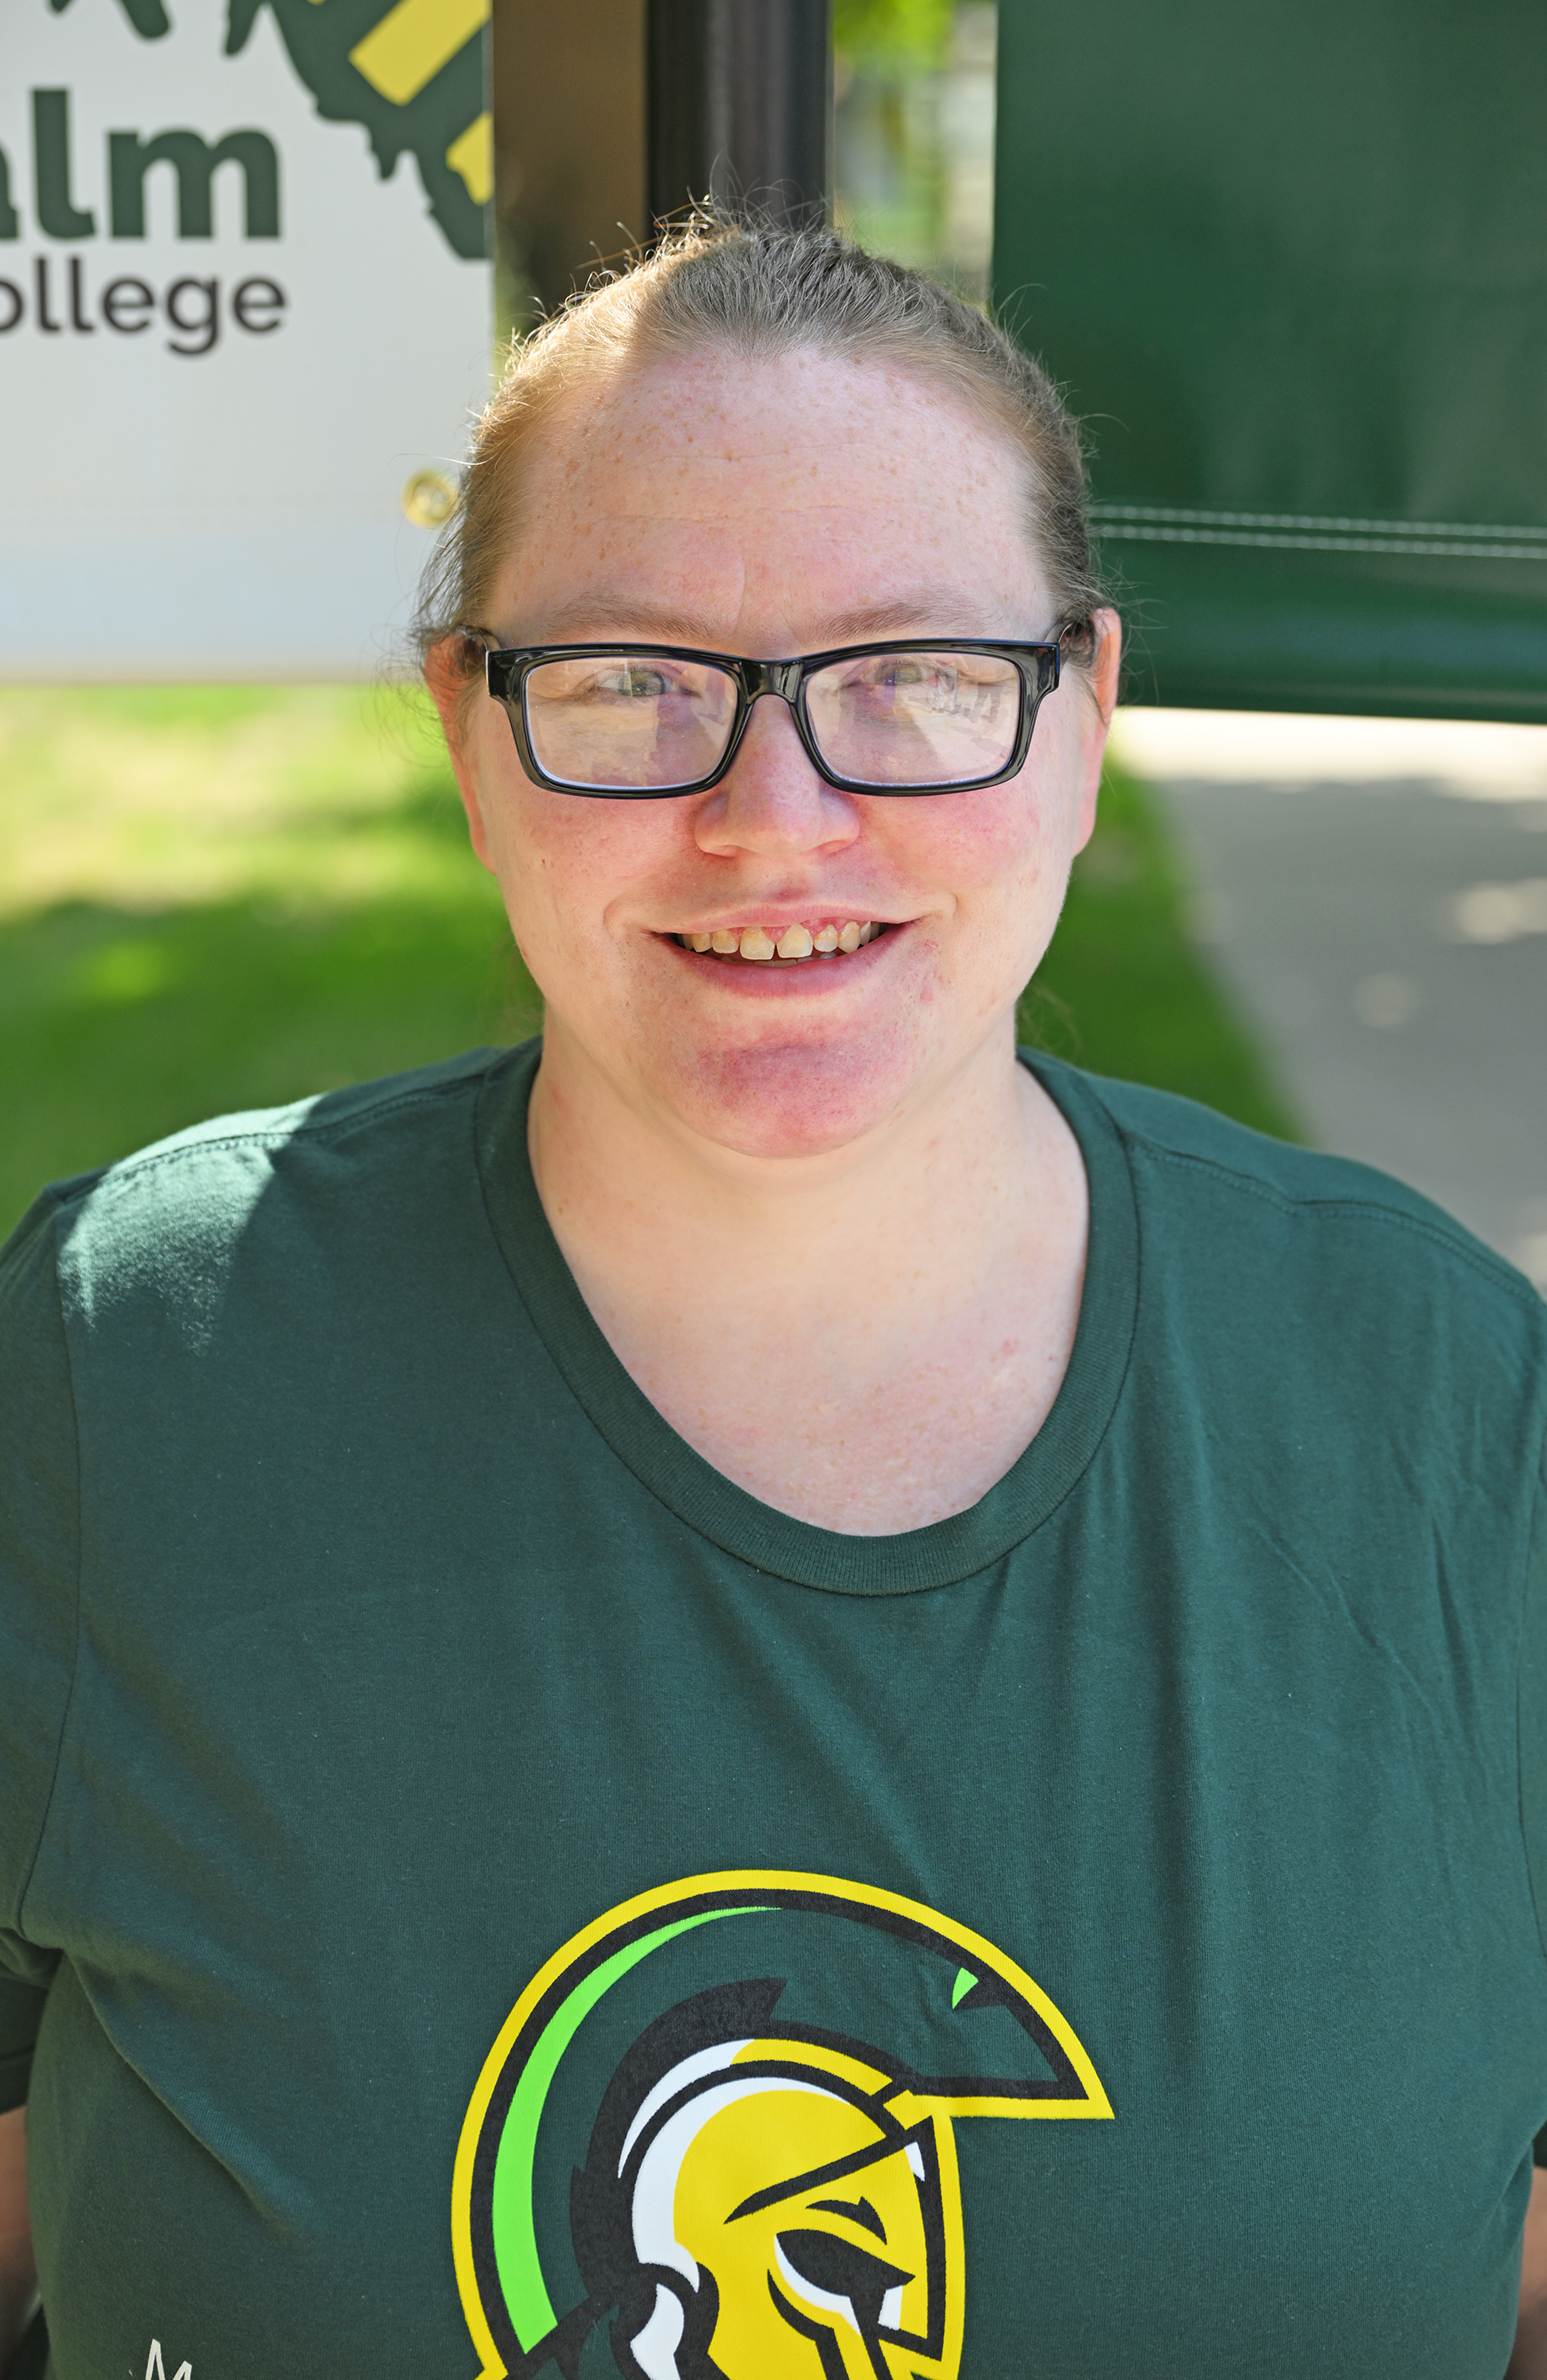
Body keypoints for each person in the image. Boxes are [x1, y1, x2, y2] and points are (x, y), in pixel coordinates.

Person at [2, 218, 1545, 2380]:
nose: (775, 818)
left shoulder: (1452, 1428)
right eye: (634, 685)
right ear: (471, 727)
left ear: (1083, 719)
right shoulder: (121, 1370)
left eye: (912, 677)